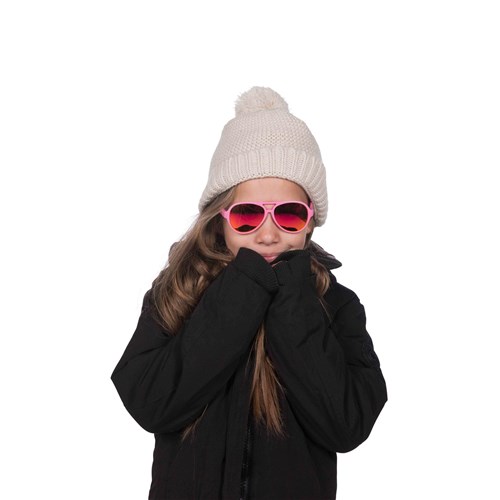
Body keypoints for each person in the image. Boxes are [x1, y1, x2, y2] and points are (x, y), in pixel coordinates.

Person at [111, 86, 387, 500]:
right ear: (220, 218)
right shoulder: (179, 291)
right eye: (247, 215)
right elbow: (151, 404)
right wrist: (244, 287)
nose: (268, 234)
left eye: (289, 214)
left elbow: (347, 425)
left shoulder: (336, 305)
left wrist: (291, 295)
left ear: (310, 221)